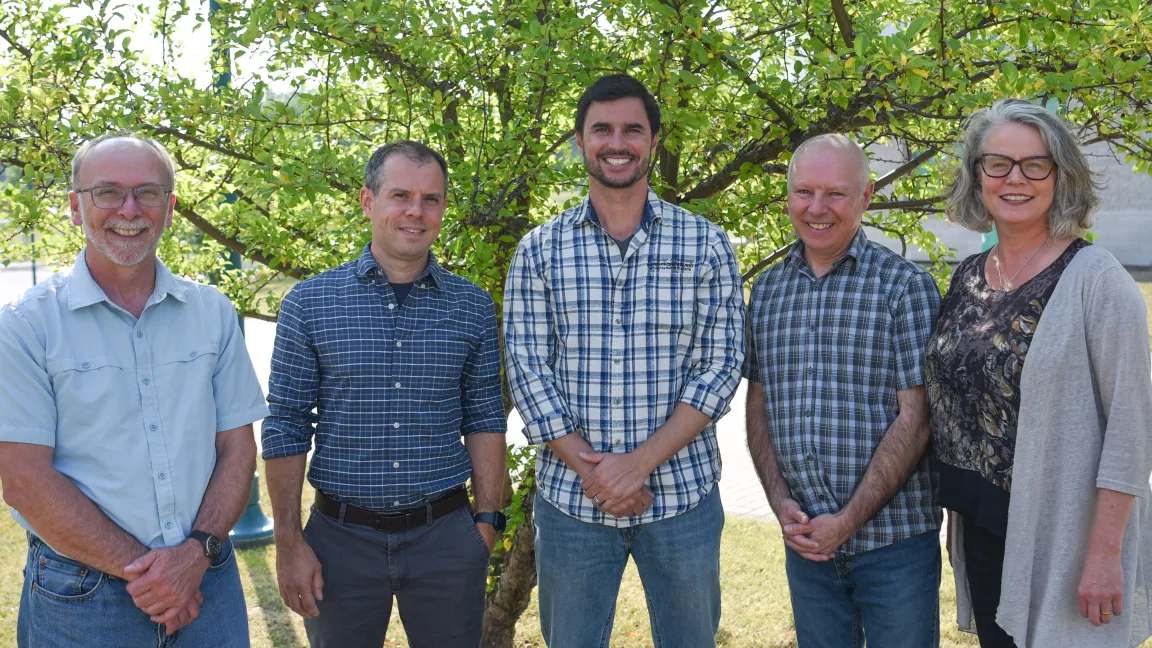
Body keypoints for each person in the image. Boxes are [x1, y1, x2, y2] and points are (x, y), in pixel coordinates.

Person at [503, 73, 745, 648]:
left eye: (633, 129)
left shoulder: (705, 244)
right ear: (580, 141)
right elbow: (528, 369)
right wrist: (598, 474)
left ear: (655, 143)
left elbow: (720, 367)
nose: (618, 142)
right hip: (572, 506)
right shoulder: (540, 249)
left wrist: (638, 465)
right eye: (602, 129)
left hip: (682, 499)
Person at [0, 132, 267, 646]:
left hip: (206, 578)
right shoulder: (25, 326)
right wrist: (160, 575)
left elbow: (237, 448)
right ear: (76, 208)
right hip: (83, 596)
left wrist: (192, 556)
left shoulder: (211, 312)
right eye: (107, 193)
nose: (129, 209)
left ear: (169, 208)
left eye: (147, 193)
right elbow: (24, 478)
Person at [262, 140, 506, 648]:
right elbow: (286, 423)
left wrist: (486, 524)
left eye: (431, 199)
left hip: (446, 537)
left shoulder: (472, 306)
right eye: (400, 195)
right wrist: (289, 543)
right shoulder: (310, 303)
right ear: (368, 201)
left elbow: (484, 416)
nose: (416, 211)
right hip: (338, 540)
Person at [927, 98, 1152, 647]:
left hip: (1065, 538)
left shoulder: (1099, 282)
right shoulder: (968, 278)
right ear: (977, 174)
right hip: (983, 527)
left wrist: (1103, 556)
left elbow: (1132, 431)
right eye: (997, 163)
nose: (1014, 179)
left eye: (1035, 164)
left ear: (1061, 176)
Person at [744, 133, 943, 646]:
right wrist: (779, 499)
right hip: (807, 545)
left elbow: (916, 419)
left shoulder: (905, 288)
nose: (816, 208)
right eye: (803, 192)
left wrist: (847, 521)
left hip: (893, 547)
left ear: (866, 196)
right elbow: (760, 403)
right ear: (786, 195)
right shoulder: (766, 291)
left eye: (835, 193)